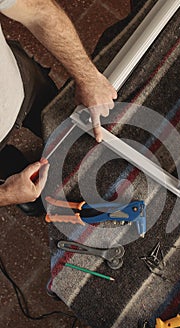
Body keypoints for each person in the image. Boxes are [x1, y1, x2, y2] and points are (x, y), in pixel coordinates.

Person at [0, 0, 117, 215]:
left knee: (62, 121)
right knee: (19, 179)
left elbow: (37, 11)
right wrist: (6, 194)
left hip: (22, 83)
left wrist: (88, 78)